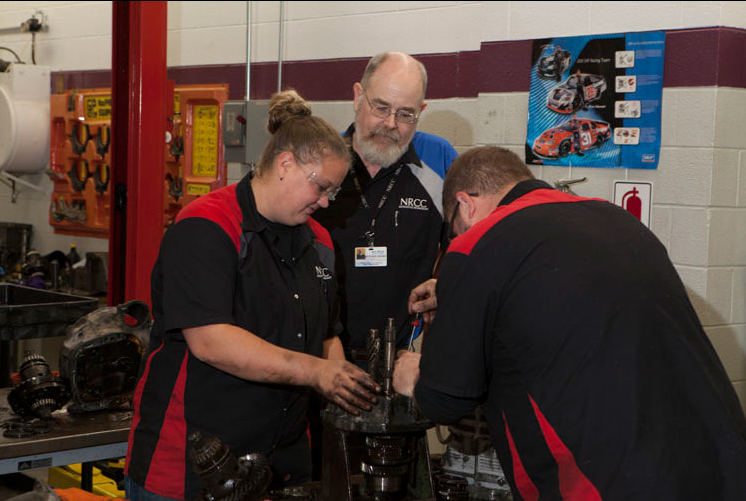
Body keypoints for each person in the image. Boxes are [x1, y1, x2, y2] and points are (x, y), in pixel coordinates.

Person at [394, 146, 746, 500]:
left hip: (608, 481)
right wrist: (462, 295)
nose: (457, 240)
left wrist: (414, 378)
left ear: (465, 205)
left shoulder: (475, 245)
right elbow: (567, 296)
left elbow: (446, 402)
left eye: (454, 230)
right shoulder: (616, 220)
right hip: (719, 459)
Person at [124, 90, 380, 501]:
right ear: (285, 163)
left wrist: (343, 382)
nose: (327, 201)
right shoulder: (207, 227)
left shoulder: (321, 244)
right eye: (321, 187)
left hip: (283, 466)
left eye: (332, 192)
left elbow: (328, 334)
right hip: (191, 468)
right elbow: (211, 341)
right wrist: (317, 372)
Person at [313, 51, 458, 367]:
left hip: (399, 356)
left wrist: (446, 283)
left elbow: (469, 246)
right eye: (381, 108)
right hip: (318, 354)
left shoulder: (440, 159)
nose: (390, 124)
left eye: (406, 114)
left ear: (421, 111)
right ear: (357, 97)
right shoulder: (320, 161)